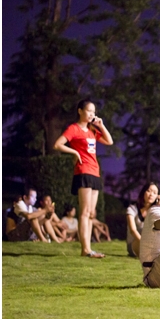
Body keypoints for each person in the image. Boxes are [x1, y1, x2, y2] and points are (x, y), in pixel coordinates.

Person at [53, 99, 113, 258]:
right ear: (80, 111)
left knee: (91, 213)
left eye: (94, 111)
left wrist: (101, 125)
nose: (91, 114)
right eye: (88, 111)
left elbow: (109, 141)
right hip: (83, 171)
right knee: (85, 212)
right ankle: (85, 249)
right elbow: (58, 144)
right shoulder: (74, 129)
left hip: (95, 172)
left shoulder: (92, 130)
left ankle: (88, 248)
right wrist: (75, 152)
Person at [126, 182, 160, 257]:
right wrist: (145, 244)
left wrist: (159, 204)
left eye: (154, 193)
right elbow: (133, 230)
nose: (151, 194)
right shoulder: (132, 209)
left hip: (150, 244)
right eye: (148, 191)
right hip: (135, 243)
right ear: (143, 192)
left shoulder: (155, 211)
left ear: (157, 197)